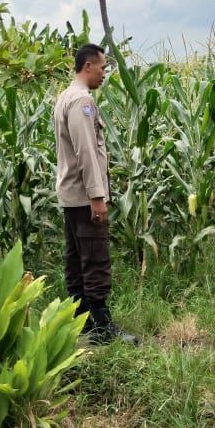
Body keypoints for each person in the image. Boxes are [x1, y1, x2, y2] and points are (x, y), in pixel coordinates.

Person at [54, 43, 136, 345]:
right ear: (88, 66)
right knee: (95, 259)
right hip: (85, 197)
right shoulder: (81, 101)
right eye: (102, 68)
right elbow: (86, 151)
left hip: (72, 195)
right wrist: (97, 197)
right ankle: (101, 329)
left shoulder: (65, 96)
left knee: (76, 259)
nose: (104, 73)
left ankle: (82, 324)